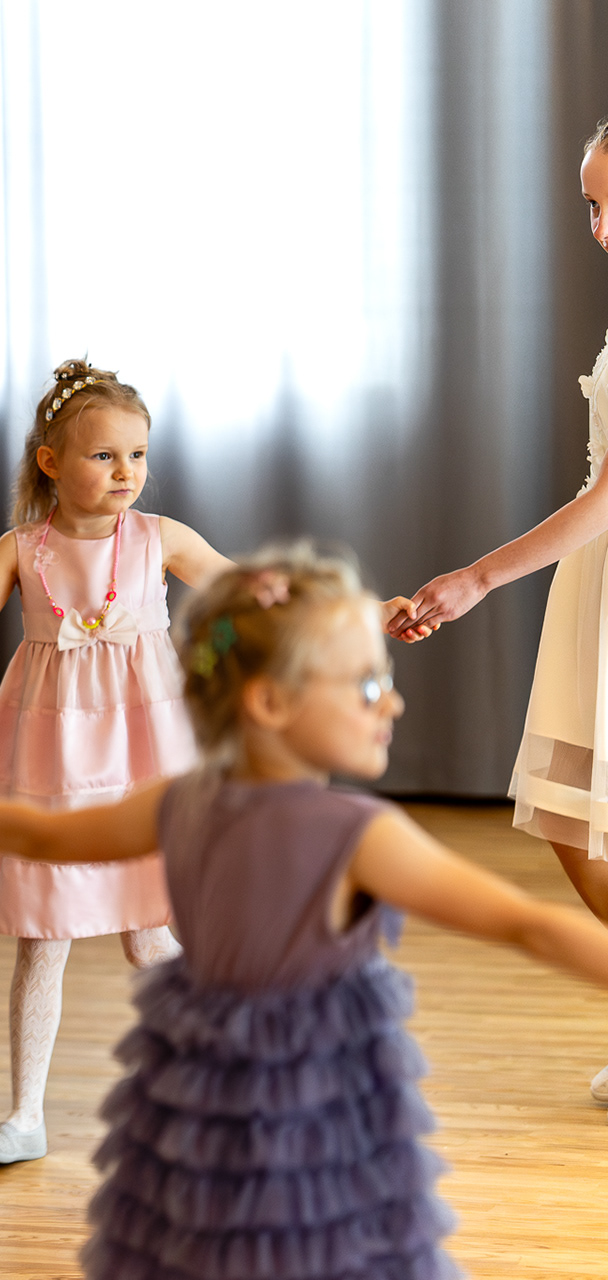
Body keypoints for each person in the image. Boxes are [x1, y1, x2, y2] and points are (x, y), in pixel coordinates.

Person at [0, 547, 608, 1279]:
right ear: (270, 702)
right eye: (366, 683)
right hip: (281, 1101)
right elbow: (526, 924)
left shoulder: (185, 807)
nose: (392, 702)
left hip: (215, 1094)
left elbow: (40, 836)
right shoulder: (353, 834)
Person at [0, 361, 229, 1165]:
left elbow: (255, 592)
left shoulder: (158, 539)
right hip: (53, 757)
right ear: (51, 462)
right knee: (43, 935)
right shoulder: (21, 549)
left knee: (147, 936)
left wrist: (359, 613)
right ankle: (25, 1116)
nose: (126, 472)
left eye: (137, 455)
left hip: (141, 757)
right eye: (104, 456)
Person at [399, 119, 608, 1102]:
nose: (601, 228)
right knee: (574, 817)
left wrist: (477, 580)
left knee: (577, 811)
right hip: (591, 582)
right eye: (592, 206)